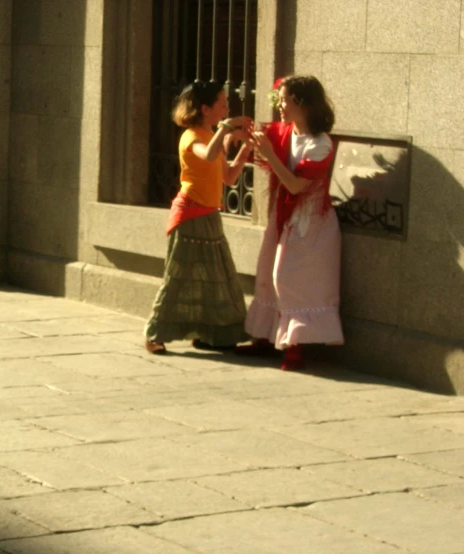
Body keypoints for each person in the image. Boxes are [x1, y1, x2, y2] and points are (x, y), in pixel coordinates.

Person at [237, 75, 344, 369]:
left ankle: (295, 346)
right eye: (280, 99)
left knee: (288, 278)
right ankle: (265, 337)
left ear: (302, 103)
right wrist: (234, 134)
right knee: (266, 271)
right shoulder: (285, 132)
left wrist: (270, 155)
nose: (279, 105)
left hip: (310, 221)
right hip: (283, 215)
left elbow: (296, 186)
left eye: (284, 99)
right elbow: (257, 145)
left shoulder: (320, 143)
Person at [145, 80, 254, 354]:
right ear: (205, 109)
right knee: (178, 275)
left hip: (209, 215)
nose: (227, 108)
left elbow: (228, 177)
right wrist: (227, 129)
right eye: (222, 104)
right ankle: (155, 333)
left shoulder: (209, 135)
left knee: (216, 277)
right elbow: (207, 156)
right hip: (190, 214)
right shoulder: (191, 136)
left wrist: (246, 148)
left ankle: (210, 334)